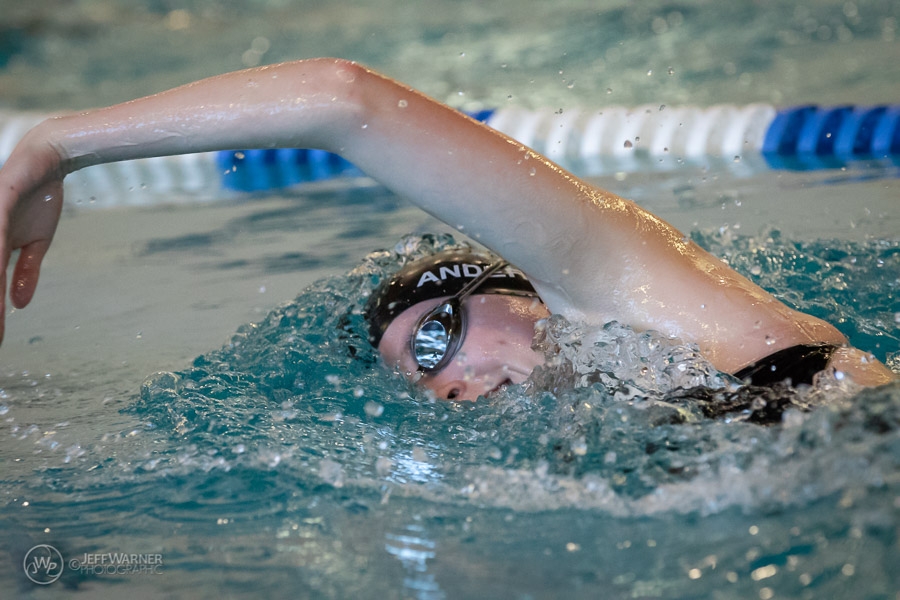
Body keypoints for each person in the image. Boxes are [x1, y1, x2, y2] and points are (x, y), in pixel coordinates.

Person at [0, 58, 894, 401]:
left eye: (434, 339)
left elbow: (342, 101)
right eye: (418, 380)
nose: (445, 387)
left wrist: (53, 145)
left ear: (520, 291)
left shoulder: (626, 296)